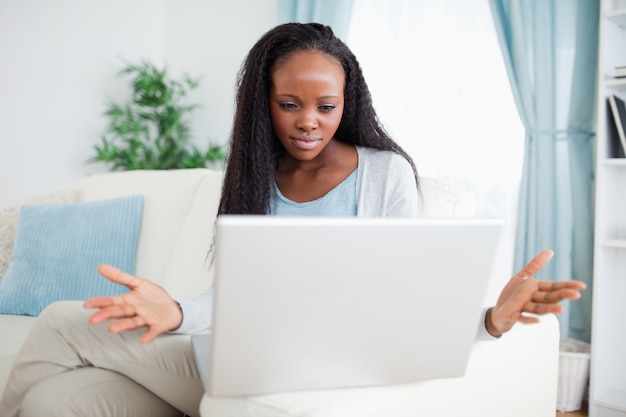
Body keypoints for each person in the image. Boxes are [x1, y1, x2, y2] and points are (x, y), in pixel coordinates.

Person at [0, 22, 586, 417]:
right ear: (265, 103)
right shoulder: (257, 172)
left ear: (345, 103)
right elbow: (229, 297)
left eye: (325, 107)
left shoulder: (384, 175)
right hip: (233, 356)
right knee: (59, 397)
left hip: (309, 376)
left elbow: (410, 301)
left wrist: (489, 319)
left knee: (59, 318)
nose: (308, 121)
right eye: (290, 105)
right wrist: (179, 310)